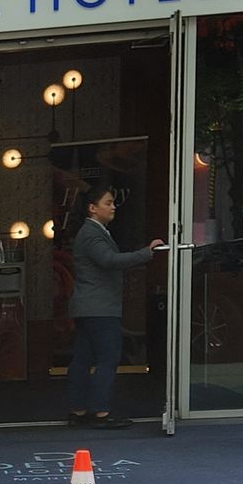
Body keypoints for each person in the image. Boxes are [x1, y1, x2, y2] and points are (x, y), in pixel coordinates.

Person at [67, 181, 166, 431]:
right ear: (92, 208)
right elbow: (109, 260)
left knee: (82, 358)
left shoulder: (91, 231)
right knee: (107, 359)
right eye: (108, 203)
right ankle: (100, 411)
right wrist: (146, 253)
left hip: (87, 307)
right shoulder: (92, 233)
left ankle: (78, 410)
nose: (113, 208)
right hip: (100, 308)